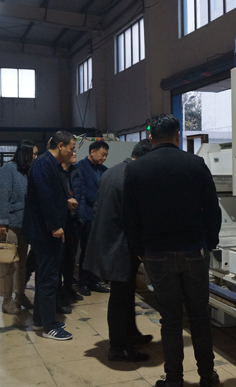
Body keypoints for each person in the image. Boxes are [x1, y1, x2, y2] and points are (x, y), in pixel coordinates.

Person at [123, 114, 222, 387]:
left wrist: (139, 250)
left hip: (156, 253)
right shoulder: (195, 164)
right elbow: (212, 209)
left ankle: (174, 379)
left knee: (170, 319)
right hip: (194, 251)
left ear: (151, 138)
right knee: (199, 316)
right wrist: (209, 243)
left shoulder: (136, 169)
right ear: (178, 134)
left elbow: (129, 216)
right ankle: (207, 376)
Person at [84, 139, 153, 363]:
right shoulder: (132, 177)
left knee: (125, 292)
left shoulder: (111, 171)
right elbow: (133, 218)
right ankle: (119, 348)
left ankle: (130, 334)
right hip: (120, 246)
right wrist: (141, 247)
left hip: (107, 241)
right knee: (120, 297)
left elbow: (97, 207)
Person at [22, 131, 76, 341]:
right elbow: (44, 197)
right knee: (49, 278)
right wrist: (55, 226)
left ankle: (40, 319)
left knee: (46, 276)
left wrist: (65, 202)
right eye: (71, 148)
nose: (72, 152)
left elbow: (50, 195)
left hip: (45, 231)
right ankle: (49, 326)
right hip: (45, 233)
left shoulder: (50, 164)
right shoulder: (43, 164)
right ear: (60, 146)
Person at [0, 140, 37, 315]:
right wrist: (1, 222)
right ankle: (6, 300)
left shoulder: (27, 171)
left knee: (21, 264)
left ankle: (20, 295)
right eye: (33, 154)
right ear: (25, 154)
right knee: (8, 264)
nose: (36, 157)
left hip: (25, 224)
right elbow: (0, 196)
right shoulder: (8, 170)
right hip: (10, 224)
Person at [74, 141, 109, 295]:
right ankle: (83, 282)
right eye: (102, 154)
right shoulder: (79, 167)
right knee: (87, 250)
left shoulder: (104, 170)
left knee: (98, 250)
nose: (104, 158)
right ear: (92, 152)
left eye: (106, 155)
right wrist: (100, 201)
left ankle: (94, 280)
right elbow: (82, 191)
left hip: (100, 216)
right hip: (87, 215)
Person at [57, 149, 83, 312]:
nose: (74, 154)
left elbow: (81, 195)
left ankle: (68, 288)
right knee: (59, 258)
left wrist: (82, 216)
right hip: (61, 221)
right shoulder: (56, 172)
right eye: (71, 151)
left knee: (71, 257)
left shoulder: (76, 171)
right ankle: (58, 292)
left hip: (74, 220)